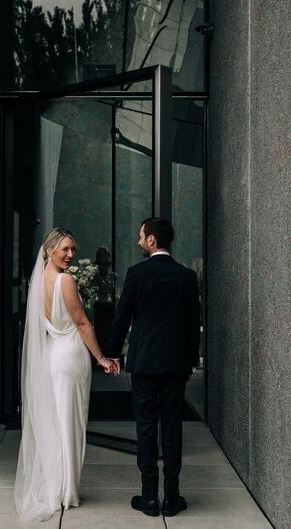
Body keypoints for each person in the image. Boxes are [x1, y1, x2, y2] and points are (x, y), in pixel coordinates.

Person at [14, 228, 120, 522]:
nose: (71, 255)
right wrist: (101, 358)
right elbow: (83, 324)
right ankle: (66, 492)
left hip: (51, 356)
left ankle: (55, 487)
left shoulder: (38, 282)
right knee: (70, 424)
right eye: (65, 250)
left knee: (56, 422)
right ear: (49, 251)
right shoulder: (66, 280)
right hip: (69, 357)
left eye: (73, 249)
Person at [106, 217, 201, 517]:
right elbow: (192, 322)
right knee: (172, 426)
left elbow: (121, 318)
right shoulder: (187, 277)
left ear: (151, 240)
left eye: (140, 236)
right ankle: (172, 497)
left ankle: (149, 496)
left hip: (144, 362)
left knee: (146, 427)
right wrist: (192, 360)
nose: (138, 242)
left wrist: (112, 354)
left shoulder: (137, 274)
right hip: (175, 363)